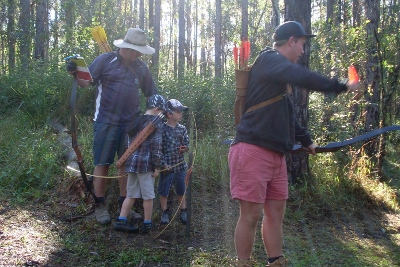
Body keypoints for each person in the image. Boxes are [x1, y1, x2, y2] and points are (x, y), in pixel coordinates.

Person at [228, 21, 360, 267]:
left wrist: (306, 139)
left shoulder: (278, 75)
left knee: (275, 214)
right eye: (301, 45)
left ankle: (276, 262)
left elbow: (284, 109)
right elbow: (303, 77)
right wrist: (341, 86)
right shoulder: (269, 60)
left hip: (276, 154)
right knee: (250, 215)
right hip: (252, 149)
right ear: (291, 41)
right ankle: (243, 263)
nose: (302, 51)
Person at [67, 28, 157, 225]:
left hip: (132, 124)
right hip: (106, 121)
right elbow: (85, 83)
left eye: (139, 51)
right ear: (126, 47)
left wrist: (151, 116)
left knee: (125, 164)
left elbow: (152, 94)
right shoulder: (105, 60)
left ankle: (125, 204)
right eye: (134, 50)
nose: (137, 54)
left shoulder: (141, 68)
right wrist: (75, 70)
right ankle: (100, 205)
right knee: (103, 163)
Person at [114, 94, 170, 234]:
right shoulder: (156, 124)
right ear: (157, 109)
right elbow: (156, 148)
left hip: (132, 164)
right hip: (146, 166)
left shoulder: (135, 120)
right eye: (162, 111)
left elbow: (128, 144)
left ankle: (122, 219)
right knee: (148, 196)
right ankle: (147, 224)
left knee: (130, 194)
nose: (162, 114)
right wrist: (157, 166)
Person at [158, 99, 190, 225]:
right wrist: (163, 164)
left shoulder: (182, 129)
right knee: (164, 189)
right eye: (178, 111)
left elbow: (186, 144)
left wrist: (185, 148)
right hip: (167, 166)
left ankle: (183, 210)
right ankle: (164, 211)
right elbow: (158, 149)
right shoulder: (162, 129)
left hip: (180, 166)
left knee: (181, 189)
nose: (181, 114)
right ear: (169, 114)